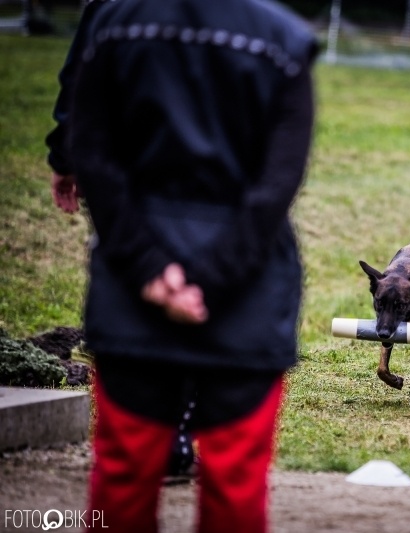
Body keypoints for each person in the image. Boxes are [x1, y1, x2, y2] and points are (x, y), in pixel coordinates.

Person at [62, 0, 317, 530]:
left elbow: (92, 153)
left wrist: (151, 269)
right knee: (235, 489)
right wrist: (211, 280)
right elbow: (278, 183)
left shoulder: (111, 21)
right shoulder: (285, 40)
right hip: (247, 290)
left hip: (133, 290)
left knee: (122, 482)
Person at [45, 0, 198, 486]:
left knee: (137, 296)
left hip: (126, 172)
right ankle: (177, 429)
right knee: (181, 298)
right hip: (194, 173)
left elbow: (81, 77)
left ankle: (157, 433)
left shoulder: (110, 7)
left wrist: (65, 154)